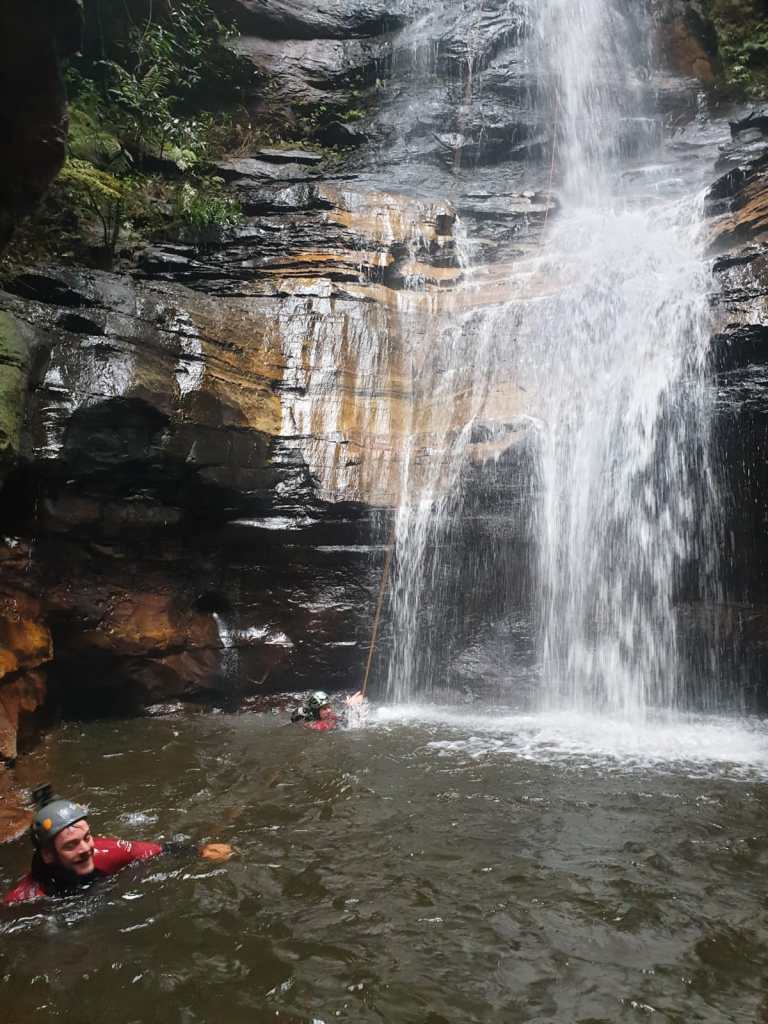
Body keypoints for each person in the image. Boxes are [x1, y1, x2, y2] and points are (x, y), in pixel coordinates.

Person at [3, 785, 233, 906]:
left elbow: (158, 850)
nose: (86, 849)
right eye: (71, 845)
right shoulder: (26, 896)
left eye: (86, 837)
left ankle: (47, 801)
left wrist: (198, 851)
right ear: (48, 855)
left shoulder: (108, 851)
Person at [290, 690, 365, 731]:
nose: (329, 710)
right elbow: (337, 724)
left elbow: (340, 719)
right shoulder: (317, 726)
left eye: (329, 707)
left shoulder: (327, 717)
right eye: (324, 709)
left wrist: (351, 706)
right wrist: (349, 707)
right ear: (316, 712)